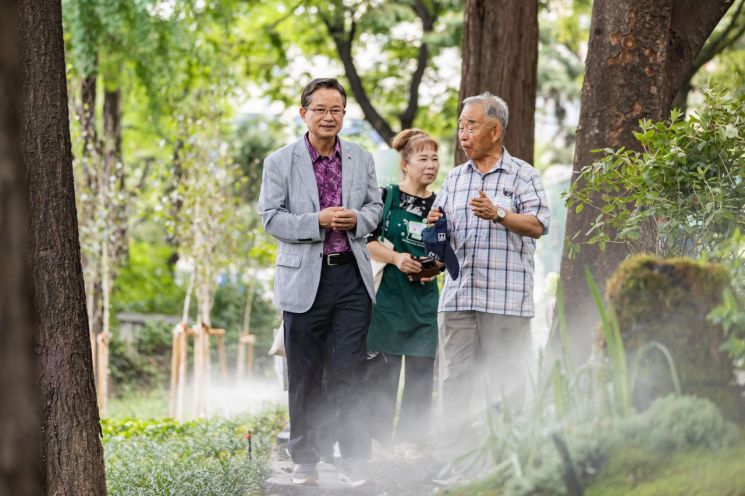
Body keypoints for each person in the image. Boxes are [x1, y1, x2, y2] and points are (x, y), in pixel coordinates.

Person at [258, 77, 382, 486]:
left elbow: (374, 207)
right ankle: (306, 461)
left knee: (350, 370)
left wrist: (358, 221)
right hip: (303, 280)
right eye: (320, 110)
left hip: (351, 278)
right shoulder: (280, 161)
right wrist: (317, 221)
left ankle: (355, 459)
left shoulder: (362, 158)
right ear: (303, 113)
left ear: (345, 115)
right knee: (306, 372)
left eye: (336, 110)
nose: (329, 117)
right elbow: (270, 217)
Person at [427, 93, 550, 477]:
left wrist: (499, 213)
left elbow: (538, 225)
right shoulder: (454, 178)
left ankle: (506, 466)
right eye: (461, 125)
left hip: (505, 299)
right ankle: (456, 466)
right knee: (456, 380)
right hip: (459, 297)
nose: (462, 134)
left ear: (495, 131)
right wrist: (435, 226)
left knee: (506, 382)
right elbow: (444, 234)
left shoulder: (523, 175)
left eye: (471, 125)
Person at [365, 129, 441, 461]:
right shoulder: (386, 197)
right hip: (389, 298)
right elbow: (365, 241)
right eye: (423, 158)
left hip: (424, 298)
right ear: (405, 164)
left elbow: (446, 253)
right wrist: (397, 258)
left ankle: (412, 442)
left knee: (422, 373)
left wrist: (431, 267)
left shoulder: (441, 204)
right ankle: (379, 442)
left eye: (435, 158)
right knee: (384, 371)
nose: (431, 165)